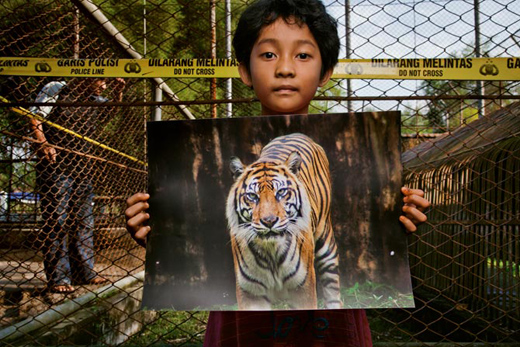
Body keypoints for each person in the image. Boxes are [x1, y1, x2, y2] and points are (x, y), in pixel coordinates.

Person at [125, 0, 430, 345]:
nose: (285, 68)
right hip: (242, 329)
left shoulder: (316, 164)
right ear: (244, 69)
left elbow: (353, 232)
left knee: (325, 258)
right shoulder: (229, 176)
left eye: (303, 55)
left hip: (330, 330)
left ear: (325, 71)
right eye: (268, 55)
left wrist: (400, 215)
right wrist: (157, 232)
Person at [30, 77, 125, 293]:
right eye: (102, 81)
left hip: (83, 170)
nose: (104, 86)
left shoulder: (93, 99)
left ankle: (85, 272)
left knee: (84, 222)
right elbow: (34, 118)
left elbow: (111, 112)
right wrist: (43, 142)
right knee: (57, 221)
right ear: (88, 76)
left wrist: (119, 91)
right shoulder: (58, 89)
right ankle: (59, 277)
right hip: (56, 166)